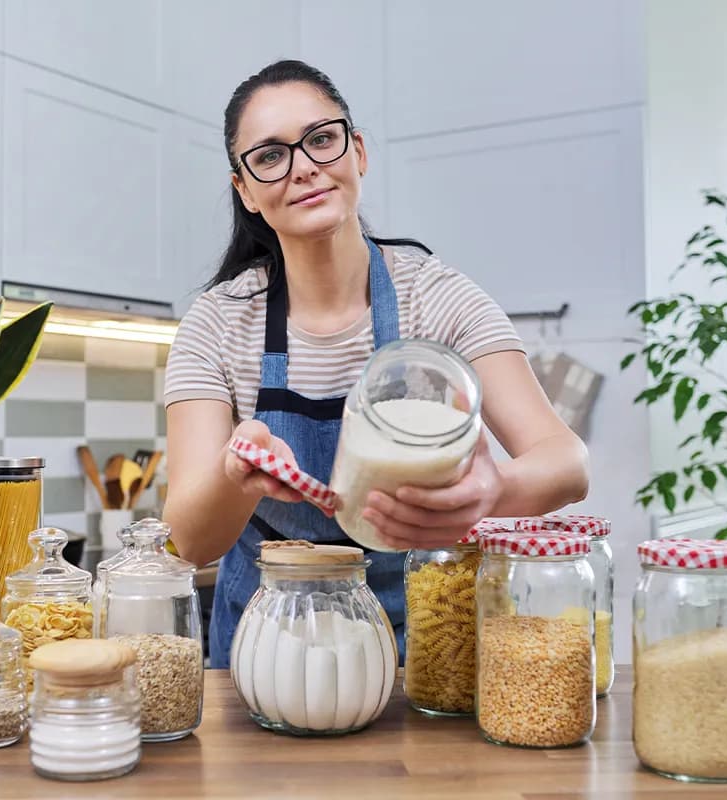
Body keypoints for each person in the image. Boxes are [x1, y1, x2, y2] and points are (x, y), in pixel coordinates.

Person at [162, 60, 589, 668]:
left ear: (357, 151)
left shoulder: (438, 299)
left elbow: (567, 463)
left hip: (423, 646)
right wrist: (240, 472)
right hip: (264, 648)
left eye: (321, 139)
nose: (303, 166)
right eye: (269, 156)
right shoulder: (217, 322)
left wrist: (495, 488)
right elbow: (186, 541)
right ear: (245, 191)